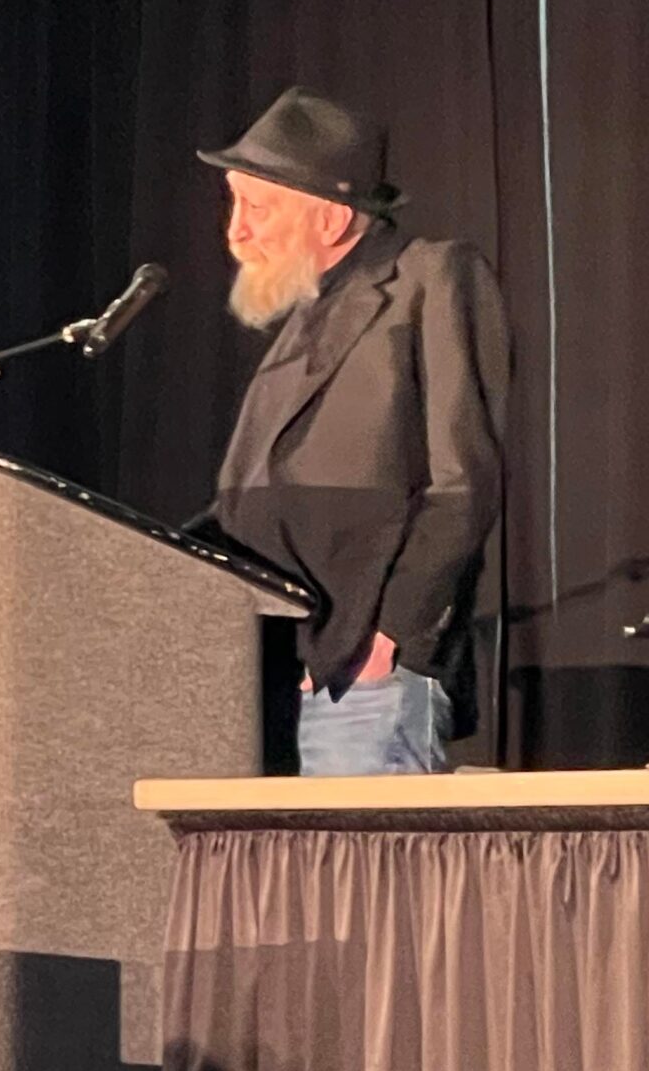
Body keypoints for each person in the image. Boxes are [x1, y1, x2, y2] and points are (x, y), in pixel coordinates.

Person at [199, 86, 510, 777]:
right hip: (268, 666)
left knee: (364, 851)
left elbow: (463, 485)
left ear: (333, 217)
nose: (237, 231)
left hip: (365, 671)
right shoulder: (306, 313)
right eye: (234, 204)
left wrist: (390, 637)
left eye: (257, 207)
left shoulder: (430, 278)